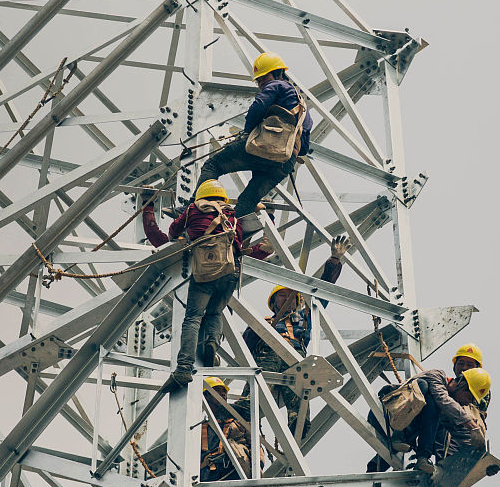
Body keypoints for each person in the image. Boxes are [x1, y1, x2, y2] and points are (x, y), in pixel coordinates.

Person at [241, 236, 350, 437]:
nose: (287, 298)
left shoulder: (303, 317)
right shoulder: (263, 323)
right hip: (269, 353)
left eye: (290, 296)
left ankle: (298, 426)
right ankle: (247, 406)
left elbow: (323, 293)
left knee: (301, 391)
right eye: (282, 295)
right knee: (261, 379)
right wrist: (261, 332)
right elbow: (245, 347)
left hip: (295, 354)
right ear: (273, 302)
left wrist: (334, 261)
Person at [144, 180, 245, 388]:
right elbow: (240, 243)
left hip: (206, 272)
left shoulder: (192, 209)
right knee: (215, 313)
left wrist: (149, 207)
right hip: (230, 271)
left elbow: (171, 232)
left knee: (192, 318)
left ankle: (183, 368)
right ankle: (211, 343)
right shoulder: (232, 216)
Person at [194, 52, 312, 217]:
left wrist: (248, 132)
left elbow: (258, 106)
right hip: (284, 163)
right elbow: (304, 148)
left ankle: (194, 212)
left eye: (264, 78)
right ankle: (230, 230)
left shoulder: (278, 85)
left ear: (278, 74)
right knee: (248, 200)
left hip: (265, 147)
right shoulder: (304, 112)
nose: (261, 84)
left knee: (213, 165)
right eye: (259, 80)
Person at [366, 368, 489, 474]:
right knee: (423, 386)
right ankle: (398, 434)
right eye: (469, 397)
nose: (467, 403)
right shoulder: (437, 375)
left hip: (404, 436)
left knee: (436, 412)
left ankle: (422, 458)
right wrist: (471, 425)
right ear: (462, 384)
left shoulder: (449, 410)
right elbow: (442, 399)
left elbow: (462, 436)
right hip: (385, 415)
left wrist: (484, 462)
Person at [450, 343, 489, 417]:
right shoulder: (450, 383)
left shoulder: (480, 386)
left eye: (469, 365)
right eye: (461, 363)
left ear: (477, 368)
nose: (464, 367)